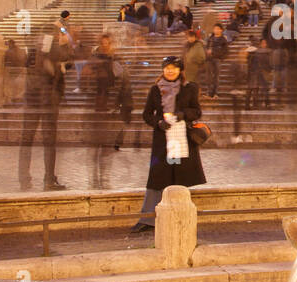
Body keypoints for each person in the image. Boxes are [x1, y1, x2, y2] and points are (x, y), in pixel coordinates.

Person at [131, 56, 205, 234]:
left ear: (180, 71)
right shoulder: (155, 89)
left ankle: (180, 217)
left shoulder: (190, 88)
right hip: (162, 139)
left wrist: (182, 114)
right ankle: (148, 219)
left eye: (174, 68)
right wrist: (158, 123)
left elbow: (197, 111)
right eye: (167, 68)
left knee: (180, 177)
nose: (170, 71)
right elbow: (147, 114)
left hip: (181, 138)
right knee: (157, 178)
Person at [18, 33, 73, 191]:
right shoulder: (51, 49)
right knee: (46, 141)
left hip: (36, 100)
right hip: (45, 101)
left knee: (28, 140)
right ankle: (47, 179)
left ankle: (26, 178)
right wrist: (65, 45)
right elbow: (67, 58)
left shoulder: (34, 51)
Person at [89, 35, 133, 188]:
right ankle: (94, 176)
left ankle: (105, 177)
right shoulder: (94, 60)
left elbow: (122, 82)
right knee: (95, 146)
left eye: (107, 43)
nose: (105, 46)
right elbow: (88, 81)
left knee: (107, 145)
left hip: (110, 106)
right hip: (97, 106)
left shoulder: (116, 60)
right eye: (103, 43)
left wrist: (118, 103)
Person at [205, 23, 229, 97]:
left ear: (221, 30)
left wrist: (215, 53)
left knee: (216, 76)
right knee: (209, 76)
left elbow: (225, 51)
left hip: (217, 59)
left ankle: (216, 92)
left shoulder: (223, 39)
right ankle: (209, 92)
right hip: (209, 59)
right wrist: (207, 51)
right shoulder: (210, 38)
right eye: (215, 28)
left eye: (218, 29)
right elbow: (206, 47)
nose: (216, 30)